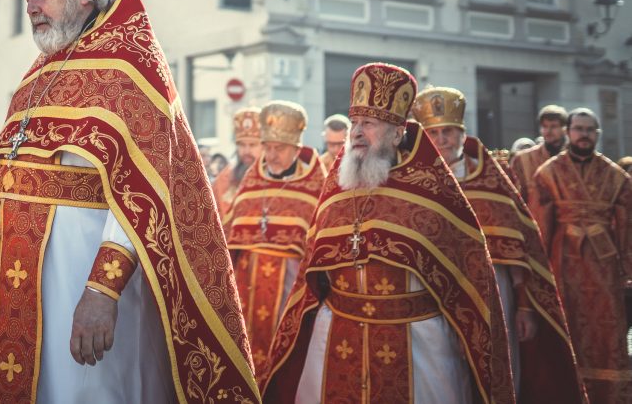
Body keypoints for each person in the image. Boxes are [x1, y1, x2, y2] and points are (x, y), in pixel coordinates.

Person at [0, 0, 258, 403]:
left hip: (81, 290)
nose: (32, 9)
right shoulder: (37, 76)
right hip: (10, 287)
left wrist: (101, 292)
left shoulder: (128, 70)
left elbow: (146, 192)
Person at [262, 62, 515, 404]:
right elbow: (314, 268)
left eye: (369, 123)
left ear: (398, 133)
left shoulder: (434, 192)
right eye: (354, 123)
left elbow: (469, 279)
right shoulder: (337, 189)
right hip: (339, 333)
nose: (356, 132)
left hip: (416, 340)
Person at [412, 87, 586, 403]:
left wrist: (524, 307)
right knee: (444, 374)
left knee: (499, 368)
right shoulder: (412, 182)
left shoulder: (489, 178)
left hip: (495, 291)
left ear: (461, 134)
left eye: (448, 132)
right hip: (433, 295)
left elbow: (519, 247)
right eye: (433, 133)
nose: (441, 140)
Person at [532, 108, 632, 402]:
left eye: (590, 130)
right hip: (563, 262)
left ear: (597, 134)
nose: (584, 134)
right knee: (569, 326)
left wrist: (627, 268)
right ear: (569, 132)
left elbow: (627, 226)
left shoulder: (616, 177)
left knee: (606, 329)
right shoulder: (548, 172)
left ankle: (609, 395)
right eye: (579, 129)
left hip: (604, 267)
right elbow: (540, 226)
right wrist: (540, 270)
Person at [221, 101, 325, 375]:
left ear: (295, 148)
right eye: (266, 147)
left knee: (282, 359)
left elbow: (320, 242)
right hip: (247, 287)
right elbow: (229, 234)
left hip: (290, 287)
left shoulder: (314, 184)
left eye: (279, 149)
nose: (271, 155)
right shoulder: (252, 180)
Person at [510, 104, 568, 218]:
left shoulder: (574, 159)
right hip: (535, 224)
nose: (548, 131)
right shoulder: (523, 159)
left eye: (554, 126)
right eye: (544, 126)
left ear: (565, 129)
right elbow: (514, 199)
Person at [212, 107, 262, 217]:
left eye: (252, 145)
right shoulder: (223, 180)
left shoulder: (275, 178)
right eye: (241, 145)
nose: (246, 151)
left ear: (264, 146)